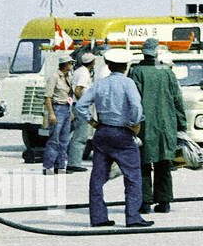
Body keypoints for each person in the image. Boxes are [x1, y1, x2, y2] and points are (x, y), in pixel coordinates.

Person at [74, 48, 152, 227]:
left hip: (102, 132)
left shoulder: (99, 84)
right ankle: (133, 217)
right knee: (132, 176)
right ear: (125, 66)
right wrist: (134, 123)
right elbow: (136, 107)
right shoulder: (128, 83)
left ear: (108, 66)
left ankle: (98, 217)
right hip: (122, 133)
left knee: (98, 178)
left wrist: (92, 122)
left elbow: (81, 106)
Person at [129, 38, 187, 214]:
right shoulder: (166, 71)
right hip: (166, 125)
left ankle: (144, 203)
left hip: (144, 125)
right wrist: (182, 124)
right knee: (163, 163)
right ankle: (164, 202)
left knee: (143, 164)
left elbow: (132, 100)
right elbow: (178, 99)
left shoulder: (136, 71)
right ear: (156, 52)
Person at [43, 53, 76, 174]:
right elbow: (48, 97)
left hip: (66, 108)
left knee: (64, 140)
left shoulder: (67, 77)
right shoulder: (54, 77)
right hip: (57, 108)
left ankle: (60, 166)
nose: (71, 65)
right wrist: (51, 114)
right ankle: (48, 167)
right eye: (70, 63)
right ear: (65, 64)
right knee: (54, 140)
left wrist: (70, 110)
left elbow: (69, 95)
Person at [66, 50, 96, 173]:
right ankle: (74, 163)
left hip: (75, 105)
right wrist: (83, 104)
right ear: (92, 62)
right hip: (80, 106)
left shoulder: (78, 71)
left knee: (72, 134)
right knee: (80, 136)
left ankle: (71, 161)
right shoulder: (84, 73)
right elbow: (78, 90)